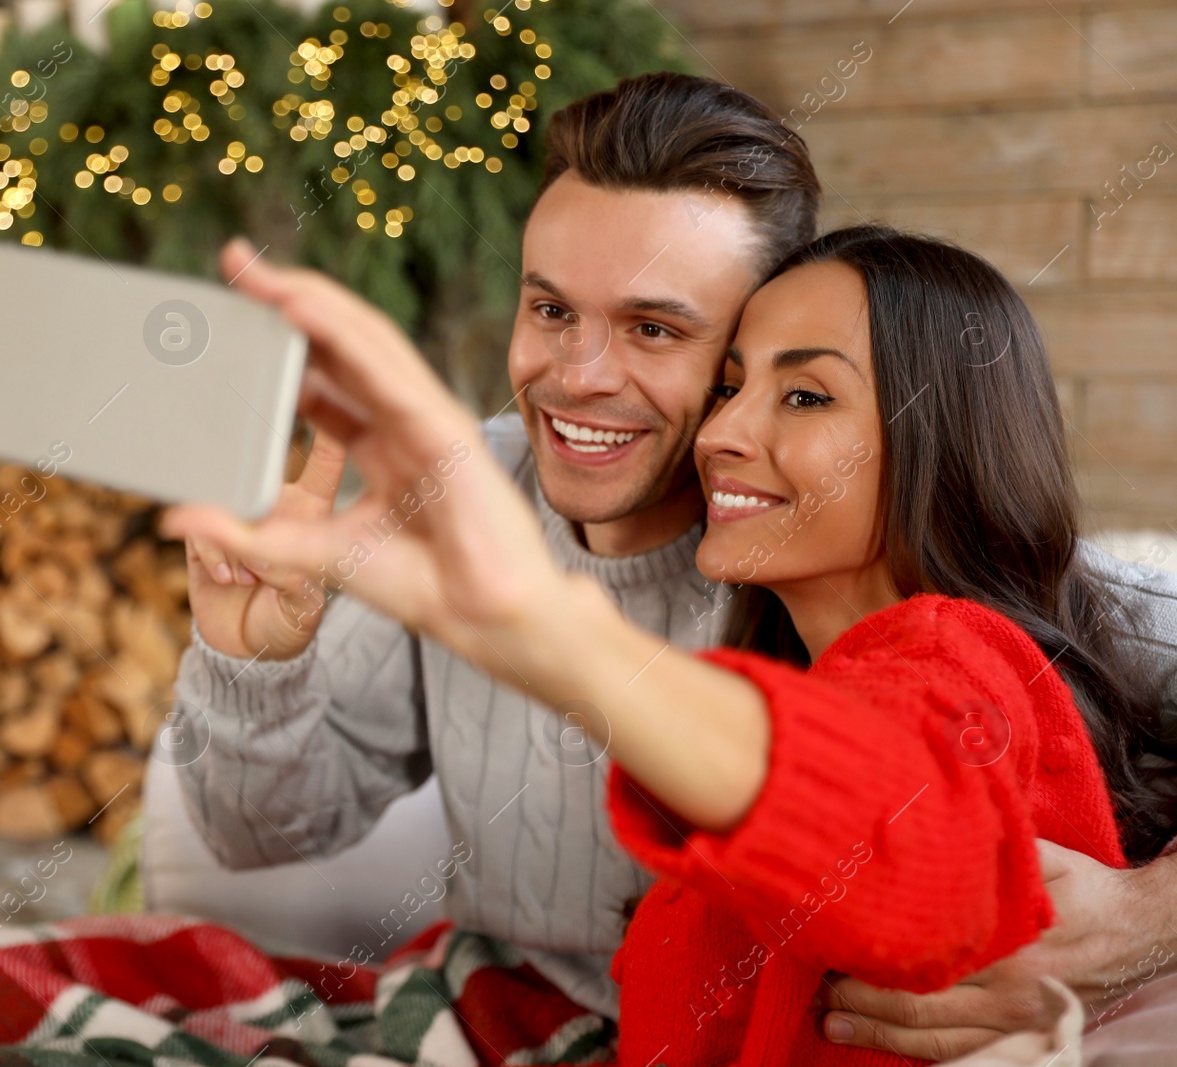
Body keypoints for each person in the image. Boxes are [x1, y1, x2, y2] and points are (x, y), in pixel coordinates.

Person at [171, 75, 1177, 1061]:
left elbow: (910, 819)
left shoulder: (911, 589)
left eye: (654, 328)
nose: (578, 376)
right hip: (505, 1005)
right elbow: (257, 831)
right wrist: (248, 658)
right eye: (551, 310)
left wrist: (1148, 913)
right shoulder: (465, 492)